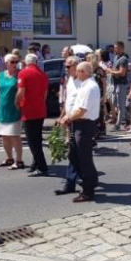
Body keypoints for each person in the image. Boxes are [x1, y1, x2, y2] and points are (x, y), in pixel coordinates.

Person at [60, 62, 101, 203]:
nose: (76, 73)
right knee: (74, 155)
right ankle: (92, 181)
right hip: (79, 124)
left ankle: (88, 191)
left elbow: (81, 110)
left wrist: (67, 117)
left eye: (78, 71)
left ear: (85, 72)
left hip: (84, 124)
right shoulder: (85, 85)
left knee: (84, 159)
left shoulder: (89, 87)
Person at [17, 53, 49, 177]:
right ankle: (35, 164)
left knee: (32, 141)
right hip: (40, 109)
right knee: (37, 138)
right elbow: (45, 93)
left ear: (26, 62)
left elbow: (21, 92)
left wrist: (19, 105)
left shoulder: (23, 73)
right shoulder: (43, 74)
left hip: (29, 110)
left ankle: (42, 167)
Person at [55, 56, 81, 195]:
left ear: (77, 66)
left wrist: (70, 117)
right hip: (70, 120)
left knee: (80, 153)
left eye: (68, 66)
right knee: (74, 153)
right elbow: (68, 101)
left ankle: (87, 179)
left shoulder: (84, 81)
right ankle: (72, 183)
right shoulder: (70, 80)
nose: (66, 69)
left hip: (81, 121)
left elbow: (83, 105)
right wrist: (62, 116)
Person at [0, 54, 23, 170]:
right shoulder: (1, 75)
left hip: (15, 109)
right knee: (4, 136)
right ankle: (9, 158)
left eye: (17, 61)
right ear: (6, 63)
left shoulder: (20, 75)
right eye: (12, 62)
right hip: (3, 109)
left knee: (14, 135)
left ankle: (19, 160)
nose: (15, 64)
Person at [105, 41, 130, 131]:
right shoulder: (116, 57)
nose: (114, 49)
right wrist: (112, 69)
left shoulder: (123, 59)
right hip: (115, 83)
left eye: (116, 48)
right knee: (115, 103)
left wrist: (111, 71)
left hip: (121, 84)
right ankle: (128, 117)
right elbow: (116, 69)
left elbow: (122, 73)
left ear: (122, 48)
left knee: (120, 105)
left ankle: (118, 125)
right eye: (114, 48)